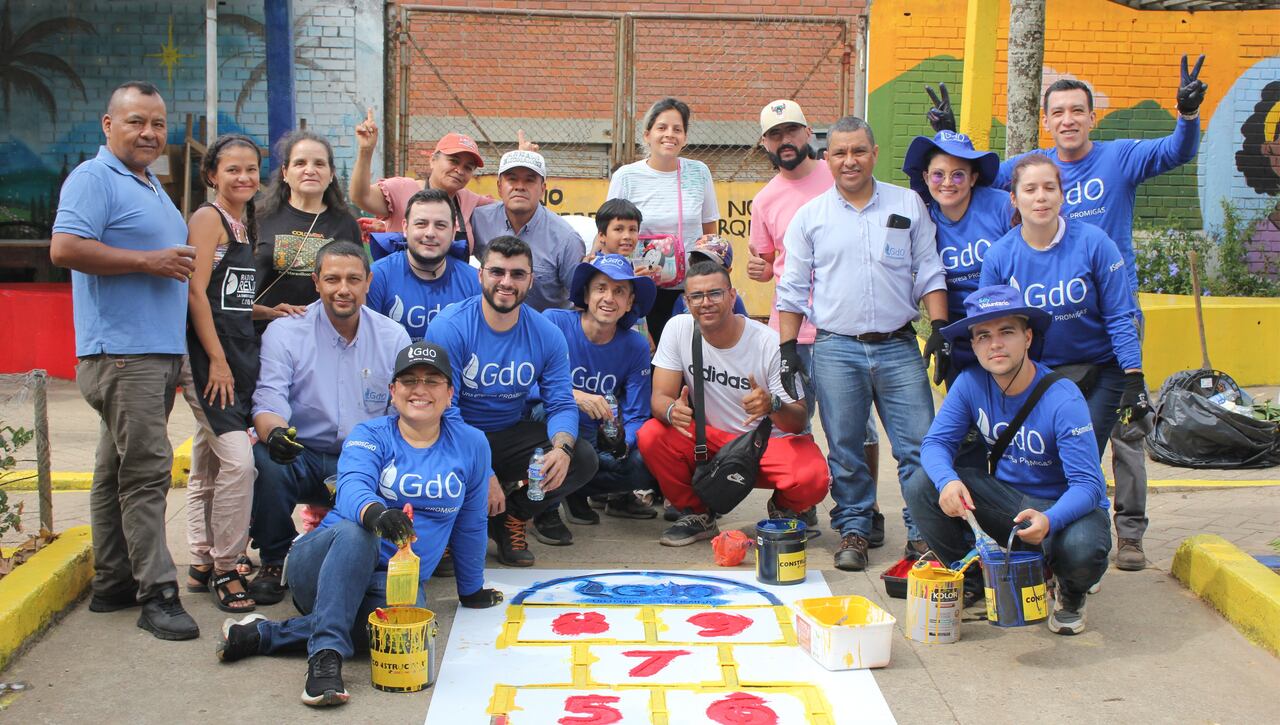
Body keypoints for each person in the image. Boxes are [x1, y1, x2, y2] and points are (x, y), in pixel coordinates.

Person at [926, 55, 1208, 570]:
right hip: (1049, 353)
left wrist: (1186, 117)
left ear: (1091, 116)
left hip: (1108, 327)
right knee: (1057, 443)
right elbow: (972, 178)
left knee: (1120, 438)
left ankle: (1125, 534)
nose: (1069, 119)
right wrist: (950, 137)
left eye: (1078, 110)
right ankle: (1049, 534)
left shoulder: (1119, 159)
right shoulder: (1026, 170)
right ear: (1046, 119)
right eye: (1059, 111)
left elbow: (1175, 152)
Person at [215, 342, 503, 707]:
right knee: (359, 530)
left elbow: (471, 521)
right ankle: (325, 659)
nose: (420, 389)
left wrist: (471, 589)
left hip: (392, 582)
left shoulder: (472, 444)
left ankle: (261, 634)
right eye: (409, 380)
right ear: (392, 391)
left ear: (450, 393)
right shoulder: (370, 434)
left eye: (432, 381)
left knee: (396, 630)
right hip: (322, 566)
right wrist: (377, 514)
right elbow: (351, 487)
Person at [49, 81, 199, 640]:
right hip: (122, 354)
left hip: (152, 351)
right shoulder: (93, 178)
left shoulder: (147, 184)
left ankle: (113, 579)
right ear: (108, 126)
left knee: (115, 467)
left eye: (158, 124)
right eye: (137, 122)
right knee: (146, 473)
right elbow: (64, 248)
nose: (149, 133)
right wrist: (148, 260)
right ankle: (157, 592)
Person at [776, 116, 949, 572]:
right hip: (835, 349)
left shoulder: (908, 203)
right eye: (839, 153)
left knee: (918, 447)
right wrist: (789, 348)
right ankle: (853, 528)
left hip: (898, 347)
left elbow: (930, 270)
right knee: (846, 447)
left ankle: (923, 534)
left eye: (858, 151)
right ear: (826, 158)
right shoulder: (810, 217)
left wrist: (942, 329)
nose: (849, 161)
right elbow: (792, 289)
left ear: (874, 154)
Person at [906, 284, 1111, 635]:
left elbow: (1089, 486)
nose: (995, 344)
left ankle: (1071, 592)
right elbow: (935, 444)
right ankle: (973, 580)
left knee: (1082, 548)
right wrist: (948, 481)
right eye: (983, 335)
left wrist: (1050, 519)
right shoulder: (970, 384)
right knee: (922, 483)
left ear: (1028, 338)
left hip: (1064, 507)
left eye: (1006, 332)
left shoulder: (1063, 398)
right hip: (1006, 503)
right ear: (973, 345)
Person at [747, 100, 885, 544]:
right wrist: (762, 271)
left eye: (792, 131)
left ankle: (866, 507)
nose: (784, 141)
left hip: (842, 327)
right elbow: (769, 261)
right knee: (795, 422)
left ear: (809, 134)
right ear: (765, 144)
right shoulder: (766, 199)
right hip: (791, 333)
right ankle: (800, 504)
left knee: (857, 426)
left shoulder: (838, 176)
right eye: (774, 135)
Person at [249, 241, 411, 604]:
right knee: (263, 460)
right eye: (332, 279)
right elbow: (268, 397)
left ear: (368, 282)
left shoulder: (392, 336)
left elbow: (397, 411)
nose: (343, 289)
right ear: (315, 282)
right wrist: (274, 433)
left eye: (353, 279)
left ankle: (381, 553)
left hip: (363, 457)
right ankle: (274, 559)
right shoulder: (285, 332)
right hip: (301, 454)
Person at [426, 235, 599, 566]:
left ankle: (512, 518)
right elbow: (443, 410)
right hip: (452, 435)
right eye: (497, 272)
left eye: (518, 274)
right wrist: (484, 470)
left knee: (583, 457)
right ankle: (447, 527)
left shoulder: (546, 333)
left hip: (506, 434)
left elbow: (561, 403)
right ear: (481, 276)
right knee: (428, 449)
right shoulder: (450, 327)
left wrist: (561, 450)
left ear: (531, 280)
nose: (506, 282)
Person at [638, 260, 829, 546]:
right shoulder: (678, 329)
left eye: (715, 293)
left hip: (765, 445)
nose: (706, 303)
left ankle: (785, 507)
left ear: (732, 296)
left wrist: (772, 404)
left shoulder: (768, 344)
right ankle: (697, 514)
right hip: (710, 441)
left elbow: (799, 419)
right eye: (697, 296)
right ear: (686, 301)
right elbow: (659, 398)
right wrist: (671, 410)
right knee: (652, 435)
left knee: (812, 476)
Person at [979, 155, 1147, 466]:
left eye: (1049, 187)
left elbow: (1120, 315)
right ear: (1014, 199)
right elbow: (988, 328)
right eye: (1030, 189)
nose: (1040, 197)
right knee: (1044, 462)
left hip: (1101, 371)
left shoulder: (1094, 242)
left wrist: (1133, 376)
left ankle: (1090, 513)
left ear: (1062, 194)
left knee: (1079, 457)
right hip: (1037, 375)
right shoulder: (999, 256)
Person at [178, 134, 271, 613]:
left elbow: (228, 300)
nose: (244, 178)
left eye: (251, 169)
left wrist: (270, 311)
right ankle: (227, 567)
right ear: (212, 175)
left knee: (208, 462)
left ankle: (198, 557)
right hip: (208, 359)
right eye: (233, 169)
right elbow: (195, 294)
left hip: (235, 356)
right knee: (239, 462)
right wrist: (214, 359)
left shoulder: (241, 225)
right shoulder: (206, 219)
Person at [543, 255, 659, 525]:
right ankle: (544, 510)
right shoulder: (554, 323)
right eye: (601, 288)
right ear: (586, 293)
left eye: (620, 291)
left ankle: (574, 490)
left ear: (630, 302)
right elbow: (526, 386)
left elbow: (638, 414)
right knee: (540, 411)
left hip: (597, 442)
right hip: (551, 430)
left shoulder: (636, 346)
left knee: (645, 465)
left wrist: (622, 443)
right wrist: (574, 396)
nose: (609, 298)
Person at [901, 130, 1013, 380]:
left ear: (973, 178)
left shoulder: (1002, 206)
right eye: (939, 174)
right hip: (955, 329)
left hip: (1005, 320)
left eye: (958, 175)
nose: (948, 183)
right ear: (926, 177)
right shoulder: (923, 217)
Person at [607, 98, 720, 342]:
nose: (670, 135)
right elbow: (610, 232)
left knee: (689, 359)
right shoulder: (626, 176)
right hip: (639, 287)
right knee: (646, 357)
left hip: (689, 289)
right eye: (662, 128)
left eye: (677, 129)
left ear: (685, 137)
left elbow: (710, 233)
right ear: (647, 134)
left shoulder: (699, 172)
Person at [253, 130, 361, 333]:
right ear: (285, 172)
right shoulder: (259, 219)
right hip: (261, 335)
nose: (310, 170)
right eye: (300, 163)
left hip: (324, 338)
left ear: (331, 174)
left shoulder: (346, 224)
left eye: (319, 164)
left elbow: (356, 284)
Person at [470, 150, 584, 312]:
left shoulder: (566, 239)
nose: (520, 186)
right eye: (512, 179)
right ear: (499, 187)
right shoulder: (478, 221)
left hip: (545, 330)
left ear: (543, 189)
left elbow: (581, 300)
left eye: (529, 180)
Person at [365, 188, 481, 341]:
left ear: (453, 231)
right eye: (421, 224)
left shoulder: (474, 282)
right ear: (405, 228)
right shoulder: (377, 278)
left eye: (440, 225)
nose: (430, 233)